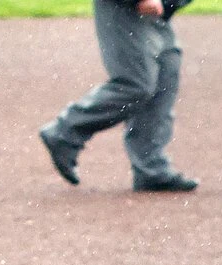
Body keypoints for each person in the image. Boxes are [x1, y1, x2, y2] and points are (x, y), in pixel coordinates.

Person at [37, 0, 198, 193]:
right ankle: (64, 131)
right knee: (135, 84)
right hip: (121, 7)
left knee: (165, 74)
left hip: (157, 13)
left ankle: (151, 168)